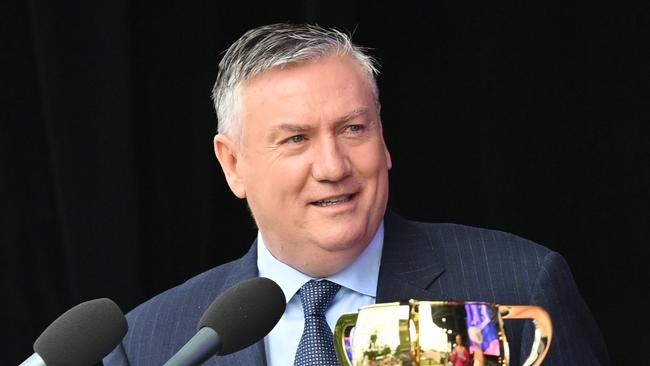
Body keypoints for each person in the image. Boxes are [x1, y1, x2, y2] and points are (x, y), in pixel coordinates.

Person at [104, 23, 609, 365]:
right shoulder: (153, 343)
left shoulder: (518, 289)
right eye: (296, 139)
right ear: (233, 164)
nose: (332, 167)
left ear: (383, 139)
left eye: (352, 129)